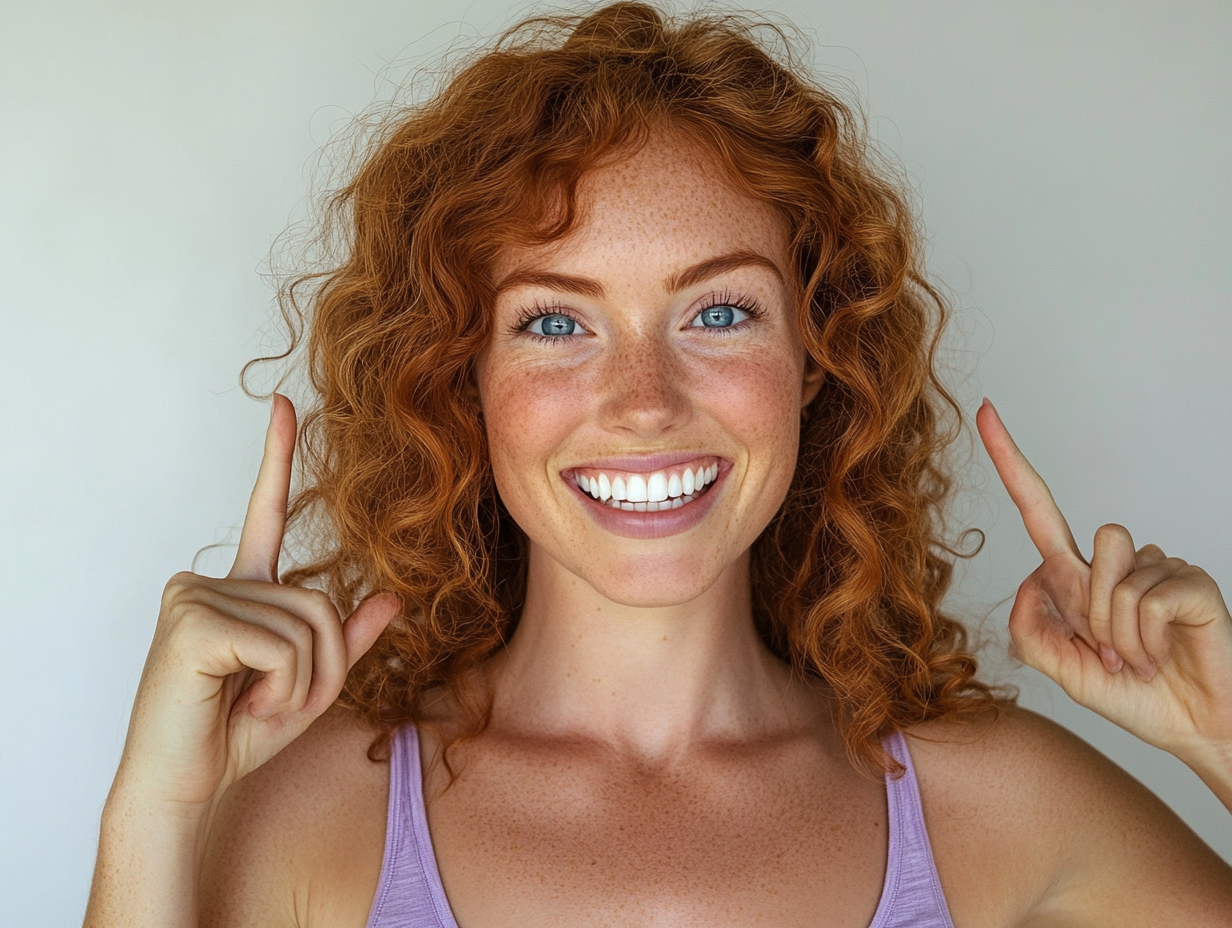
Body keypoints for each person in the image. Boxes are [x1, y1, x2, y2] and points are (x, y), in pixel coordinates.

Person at [84, 3, 1232, 926]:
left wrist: (1221, 733)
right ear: (456, 379)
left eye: (718, 311)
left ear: (818, 359)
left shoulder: (1000, 808)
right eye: (553, 323)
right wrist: (156, 810)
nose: (643, 403)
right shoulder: (308, 818)